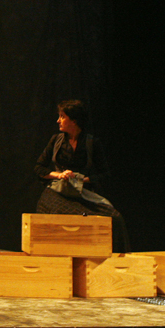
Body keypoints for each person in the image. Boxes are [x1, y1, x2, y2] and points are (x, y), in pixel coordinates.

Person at [34, 100, 130, 253]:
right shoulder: (56, 140)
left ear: (74, 120)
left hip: (81, 193)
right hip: (57, 191)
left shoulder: (91, 143)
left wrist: (81, 179)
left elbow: (105, 174)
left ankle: (119, 260)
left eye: (62, 117)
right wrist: (60, 175)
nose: (58, 120)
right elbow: (39, 168)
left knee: (115, 218)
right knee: (60, 214)